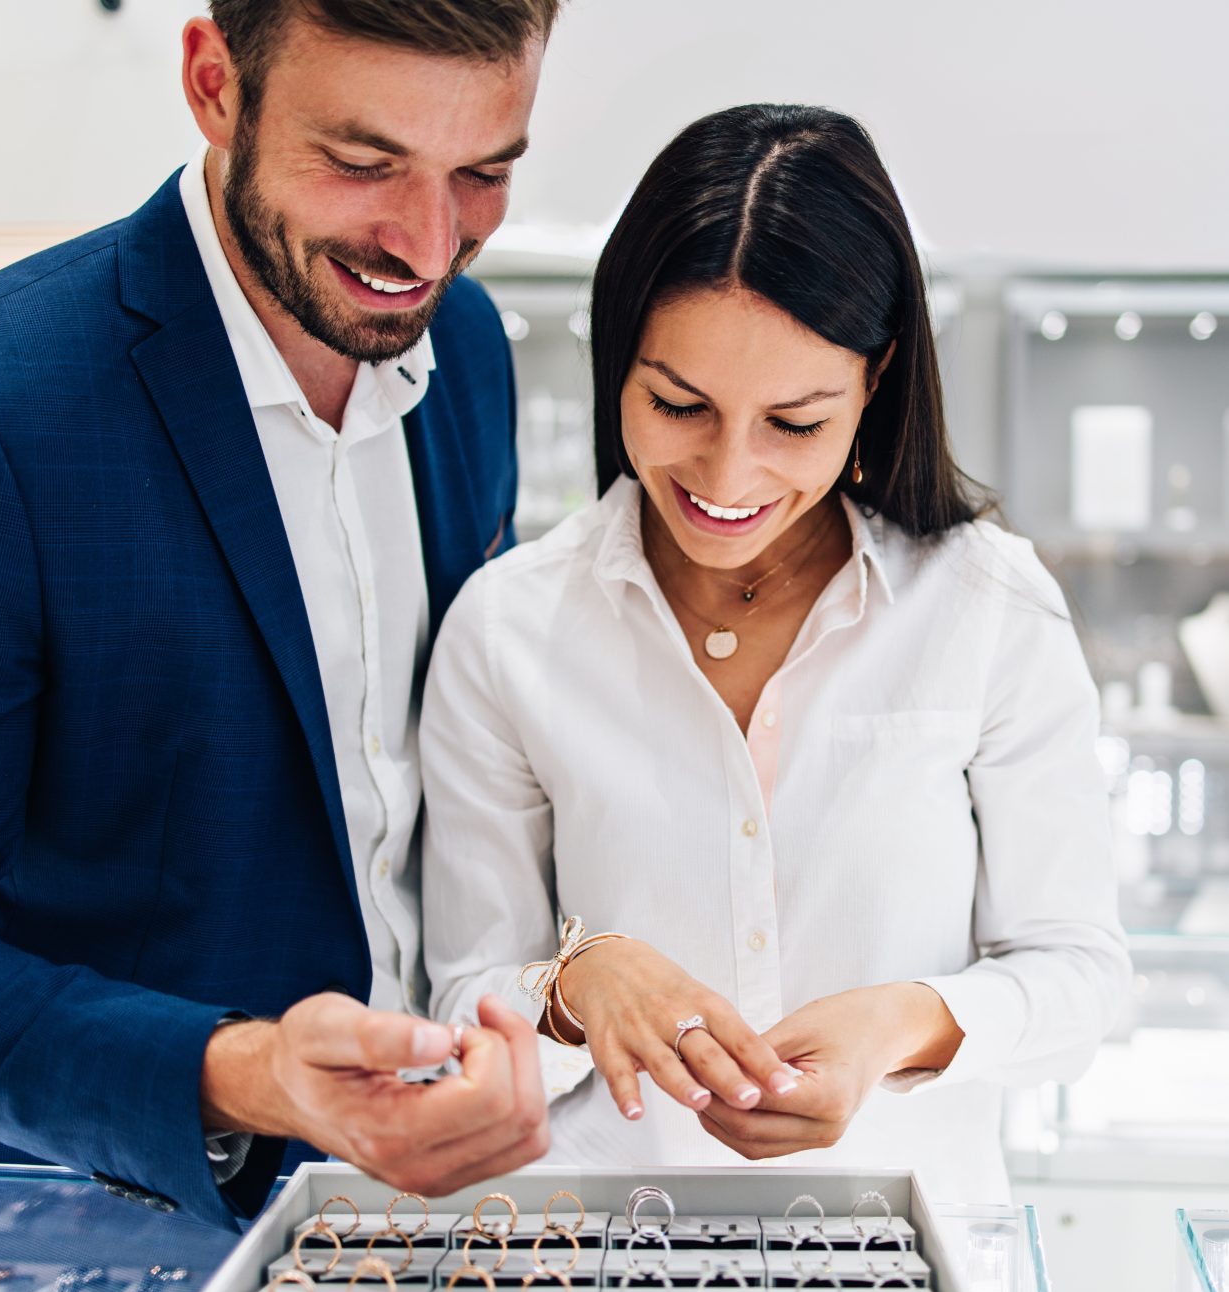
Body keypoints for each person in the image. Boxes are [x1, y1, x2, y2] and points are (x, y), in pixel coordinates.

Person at [0, 0, 562, 1229]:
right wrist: (242, 1074)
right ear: (213, 83)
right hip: (58, 1255)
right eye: (360, 163)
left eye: (481, 173)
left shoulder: (460, 347)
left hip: (394, 1238)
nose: (424, 243)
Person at [419, 103, 1129, 1202]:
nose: (727, 474)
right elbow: (462, 991)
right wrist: (573, 986)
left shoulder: (985, 607)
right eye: (677, 403)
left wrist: (906, 1021)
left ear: (875, 381)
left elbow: (1080, 979)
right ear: (618, 361)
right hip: (597, 1256)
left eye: (793, 422)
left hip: (903, 1262)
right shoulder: (510, 627)